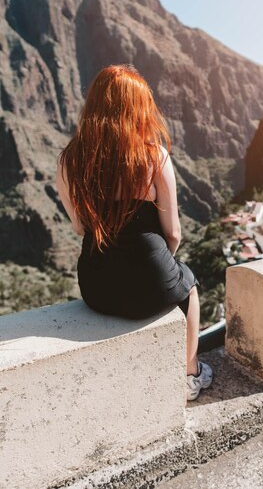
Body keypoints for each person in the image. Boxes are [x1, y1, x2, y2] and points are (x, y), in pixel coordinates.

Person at [55, 63, 213, 402]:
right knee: (191, 289)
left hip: (96, 287)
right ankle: (190, 375)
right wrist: (161, 270)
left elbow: (80, 226)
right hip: (151, 285)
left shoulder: (69, 162)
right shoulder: (153, 156)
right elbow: (173, 233)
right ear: (138, 109)